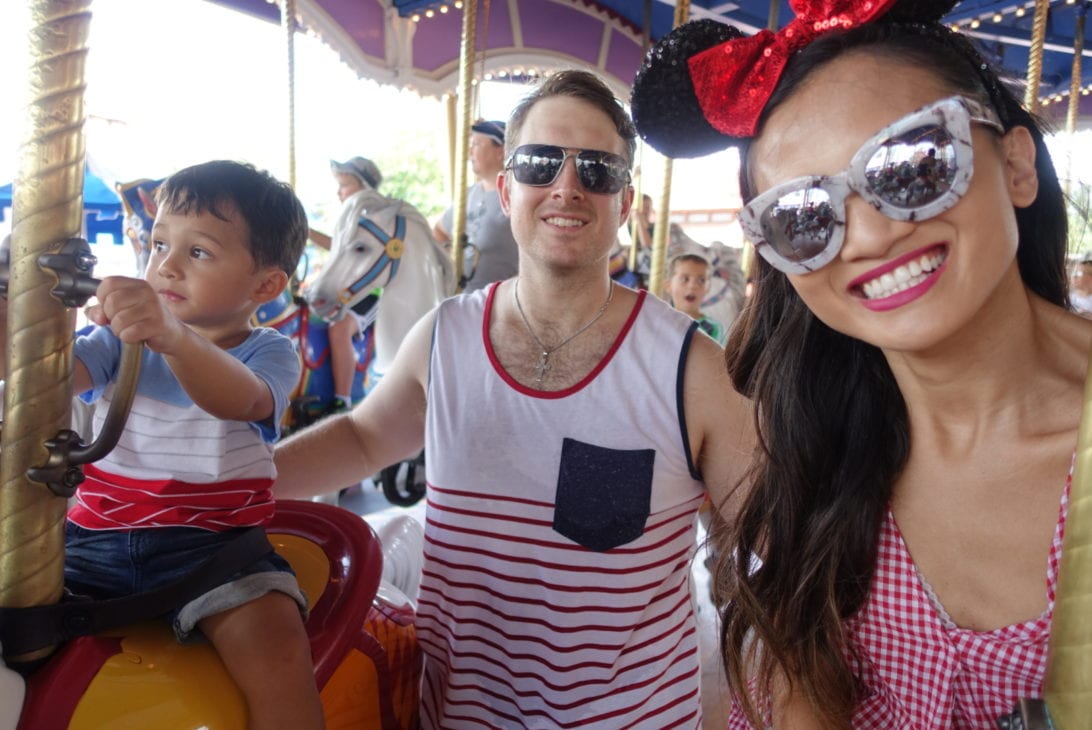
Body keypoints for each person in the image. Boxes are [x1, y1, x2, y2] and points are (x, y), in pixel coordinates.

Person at [632, 1, 1078, 727]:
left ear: (1017, 165)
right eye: (802, 216)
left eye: (912, 166)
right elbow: (795, 673)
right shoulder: (816, 434)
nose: (867, 237)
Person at [274, 69, 754, 728]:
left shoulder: (690, 367)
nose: (566, 187)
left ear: (624, 201)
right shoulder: (443, 337)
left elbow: (764, 537)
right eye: (539, 164)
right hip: (458, 714)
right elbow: (362, 439)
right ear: (506, 189)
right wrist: (234, 487)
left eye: (597, 170)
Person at [66, 160, 322, 729]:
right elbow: (49, 380)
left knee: (279, 653)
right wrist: (29, 322)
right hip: (91, 540)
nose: (166, 265)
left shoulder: (268, 352)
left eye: (198, 252)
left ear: (265, 286)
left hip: (213, 552)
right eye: (159, 244)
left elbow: (239, 399)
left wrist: (173, 337)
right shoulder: (116, 341)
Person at [311, 156, 384, 411]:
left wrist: (307, 232)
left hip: (371, 294)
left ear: (365, 186)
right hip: (346, 293)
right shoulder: (349, 219)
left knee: (339, 329)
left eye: (344, 185)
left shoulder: (375, 219)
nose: (338, 192)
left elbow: (340, 250)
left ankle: (342, 399)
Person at [432, 119, 520, 291]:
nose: (469, 152)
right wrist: (450, 258)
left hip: (500, 300)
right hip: (462, 296)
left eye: (476, 144)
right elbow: (439, 232)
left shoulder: (517, 197)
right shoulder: (468, 195)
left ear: (501, 152)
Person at [663, 252, 727, 345]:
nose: (693, 286)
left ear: (708, 288)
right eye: (685, 279)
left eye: (701, 280)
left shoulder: (713, 328)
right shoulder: (660, 321)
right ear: (668, 285)